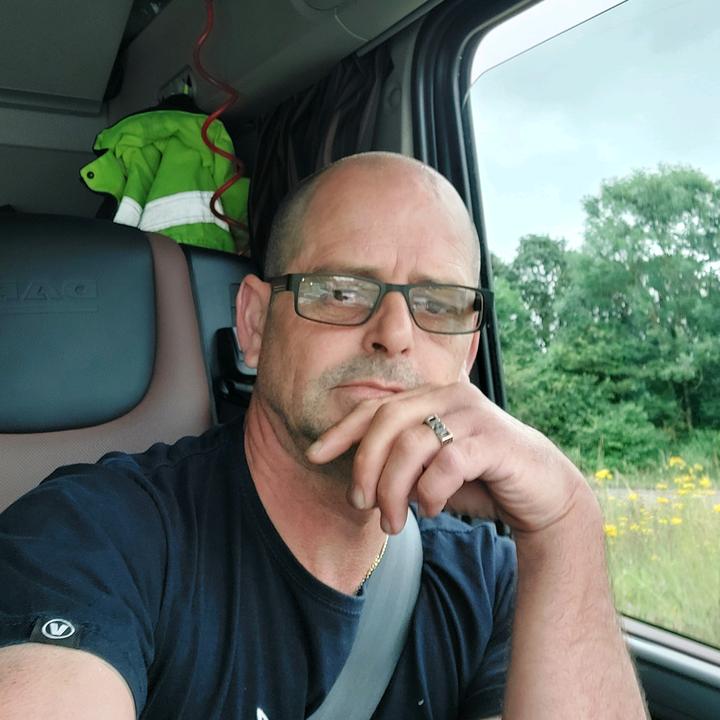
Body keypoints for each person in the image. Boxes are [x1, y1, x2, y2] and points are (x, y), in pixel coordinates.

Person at [0, 152, 647, 719]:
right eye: (340, 290)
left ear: (468, 354)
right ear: (255, 324)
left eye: (438, 304)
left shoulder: (491, 579)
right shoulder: (92, 535)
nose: (395, 333)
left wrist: (566, 521)